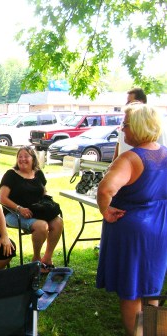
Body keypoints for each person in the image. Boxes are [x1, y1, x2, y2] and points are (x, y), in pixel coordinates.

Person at [96, 104, 167, 336]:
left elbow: (105, 189)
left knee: (132, 291)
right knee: (151, 288)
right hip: (160, 228)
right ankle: (152, 333)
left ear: (137, 127)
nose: (123, 130)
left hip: (134, 231)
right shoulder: (166, 154)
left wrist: (105, 211)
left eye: (125, 125)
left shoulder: (130, 158)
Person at [0, 146, 63, 273]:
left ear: (33, 159)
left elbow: (44, 192)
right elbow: (2, 198)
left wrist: (46, 204)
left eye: (26, 156)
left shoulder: (38, 173)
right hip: (14, 214)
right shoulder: (11, 175)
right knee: (42, 226)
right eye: (20, 156)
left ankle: (47, 258)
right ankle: (36, 259)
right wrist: (19, 208)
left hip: (37, 211)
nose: (22, 159)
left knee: (58, 222)